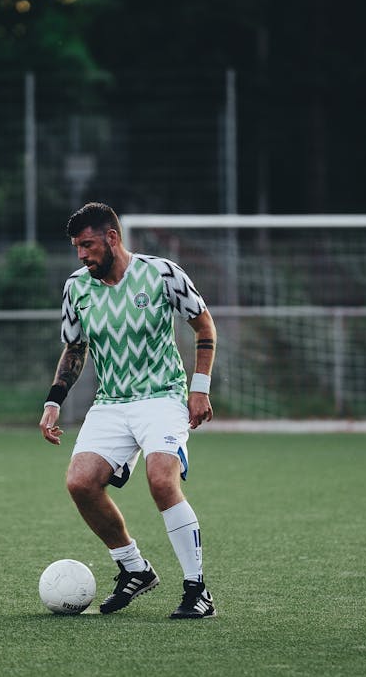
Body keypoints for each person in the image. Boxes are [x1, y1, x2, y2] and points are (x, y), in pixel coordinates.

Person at [39, 202, 217, 619]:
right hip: (112, 402)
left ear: (112, 238)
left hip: (162, 395)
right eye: (76, 248)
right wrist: (53, 401)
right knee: (80, 482)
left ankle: (198, 590)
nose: (82, 255)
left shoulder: (162, 274)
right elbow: (75, 347)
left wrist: (200, 389)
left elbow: (204, 326)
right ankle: (134, 568)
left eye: (87, 245)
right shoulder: (76, 287)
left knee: (161, 480)